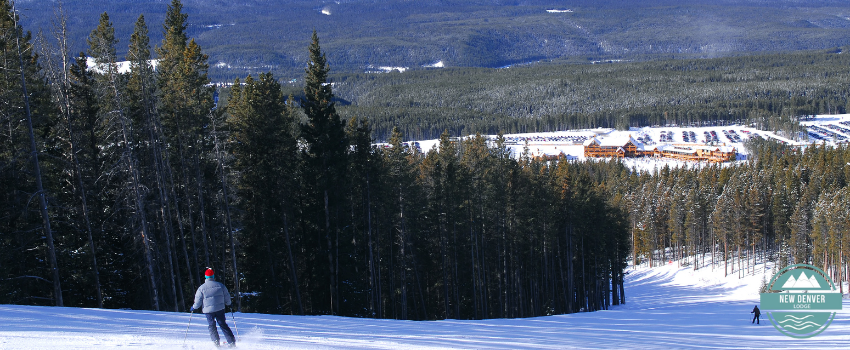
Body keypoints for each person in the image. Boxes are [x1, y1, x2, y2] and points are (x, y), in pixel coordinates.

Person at [192, 268, 236, 347]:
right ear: (213, 276)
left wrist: (194, 307)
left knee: (211, 325)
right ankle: (231, 341)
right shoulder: (220, 285)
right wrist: (229, 304)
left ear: (205, 277)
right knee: (222, 324)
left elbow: (198, 301)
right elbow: (227, 296)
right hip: (220, 309)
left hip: (208, 311)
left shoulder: (201, 288)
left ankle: (216, 342)